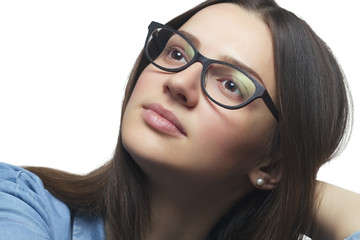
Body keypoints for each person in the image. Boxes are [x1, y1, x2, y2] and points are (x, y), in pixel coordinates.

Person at [0, 0, 359, 239]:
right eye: (176, 52)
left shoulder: (278, 169)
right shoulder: (18, 202)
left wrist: (296, 190)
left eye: (231, 84)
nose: (179, 83)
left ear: (272, 162)